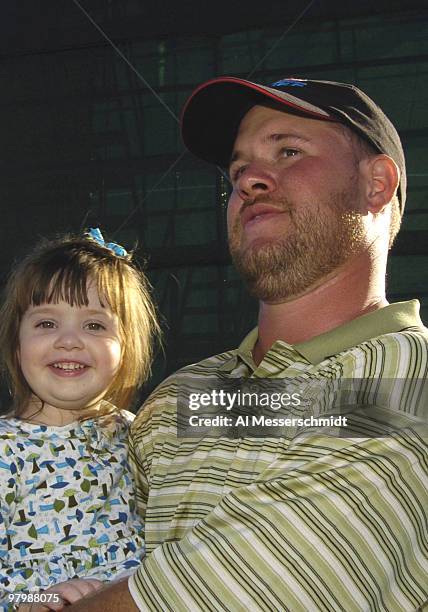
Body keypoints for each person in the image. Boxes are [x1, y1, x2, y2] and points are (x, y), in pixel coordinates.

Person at [69, 77, 427, 611]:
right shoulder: (181, 397)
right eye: (238, 171)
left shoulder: (409, 386)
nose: (250, 180)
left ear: (376, 184)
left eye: (288, 151)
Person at [0, 231, 160, 610]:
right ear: (16, 343)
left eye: (94, 326)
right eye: (46, 324)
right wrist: (33, 599)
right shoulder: (5, 449)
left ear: (126, 347)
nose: (69, 341)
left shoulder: (138, 433)